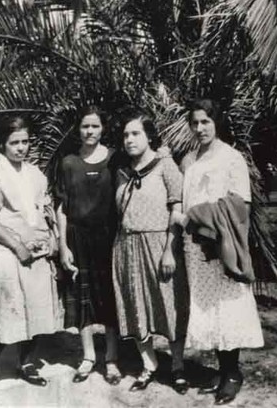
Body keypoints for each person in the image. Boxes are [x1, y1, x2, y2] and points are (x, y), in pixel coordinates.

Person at [177, 99, 264, 405]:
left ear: (216, 123)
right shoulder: (189, 161)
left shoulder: (231, 158)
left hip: (220, 244)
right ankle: (222, 369)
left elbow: (242, 206)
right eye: (195, 123)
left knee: (226, 307)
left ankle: (232, 373)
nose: (200, 128)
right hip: (194, 246)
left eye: (206, 122)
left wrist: (199, 216)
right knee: (208, 308)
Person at [0, 116, 61, 390]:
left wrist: (54, 238)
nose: (21, 148)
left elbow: (45, 209)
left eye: (25, 142)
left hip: (37, 250)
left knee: (35, 307)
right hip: (6, 249)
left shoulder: (36, 174)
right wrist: (17, 245)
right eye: (14, 143)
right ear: (2, 144)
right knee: (8, 307)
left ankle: (26, 362)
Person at [113, 112, 188, 393]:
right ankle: (149, 365)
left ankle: (178, 366)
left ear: (149, 137)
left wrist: (169, 250)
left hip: (159, 246)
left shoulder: (165, 165)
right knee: (135, 307)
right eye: (125, 135)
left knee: (169, 305)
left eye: (135, 134)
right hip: (126, 246)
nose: (129, 139)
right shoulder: (121, 171)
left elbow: (176, 208)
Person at [56, 106, 121, 385]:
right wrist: (62, 245)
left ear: (102, 128)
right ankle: (88, 357)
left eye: (95, 126)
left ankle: (112, 359)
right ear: (78, 129)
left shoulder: (115, 159)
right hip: (76, 237)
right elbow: (61, 207)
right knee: (81, 299)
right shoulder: (68, 162)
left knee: (108, 298)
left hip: (108, 238)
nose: (90, 131)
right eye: (85, 126)